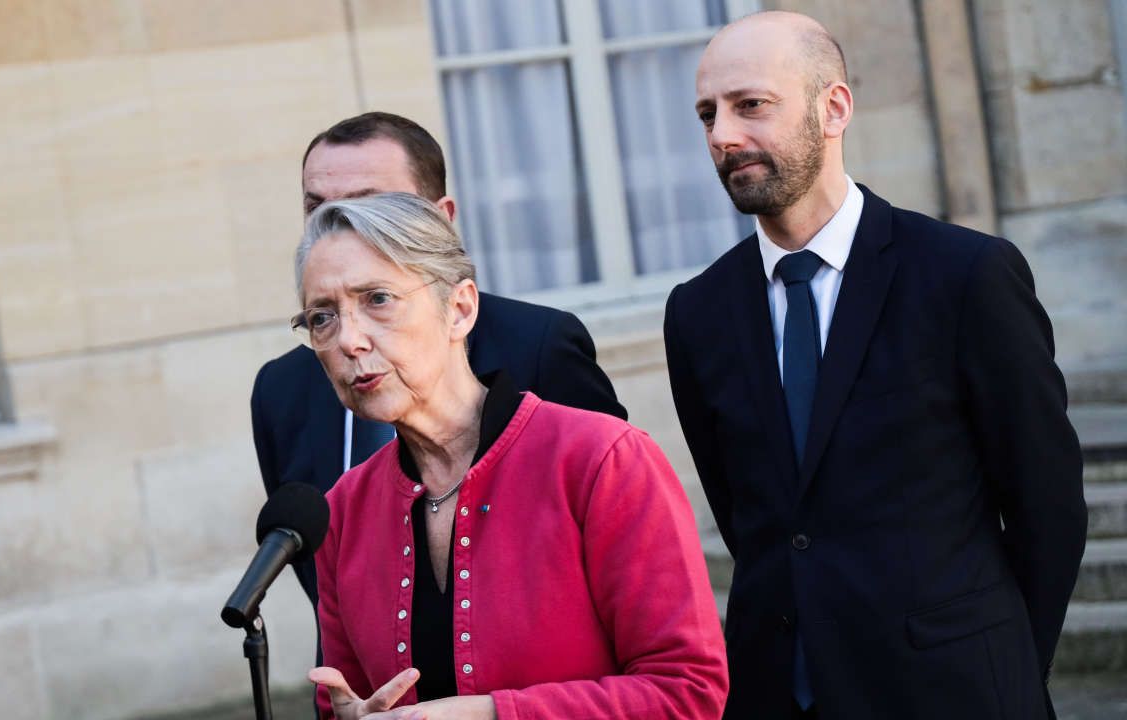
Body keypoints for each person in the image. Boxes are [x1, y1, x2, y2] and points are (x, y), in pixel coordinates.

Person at [664, 11, 1086, 719]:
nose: (722, 135)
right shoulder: (697, 311)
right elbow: (753, 521)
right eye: (708, 113)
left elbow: (1049, 507)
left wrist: (1002, 666)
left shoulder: (964, 276)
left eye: (751, 105)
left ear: (833, 109)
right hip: (777, 697)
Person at [298, 193, 727, 719]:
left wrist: (493, 714)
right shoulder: (341, 510)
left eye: (378, 299)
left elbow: (688, 692)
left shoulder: (600, 460)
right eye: (322, 317)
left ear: (459, 310)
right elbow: (341, 699)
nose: (349, 339)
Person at [251, 112, 626, 609]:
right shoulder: (282, 390)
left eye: (371, 206)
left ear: (442, 218)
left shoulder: (539, 344)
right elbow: (322, 580)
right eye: (317, 209)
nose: (338, 228)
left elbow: (619, 534)